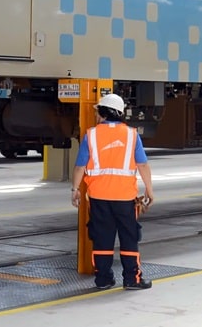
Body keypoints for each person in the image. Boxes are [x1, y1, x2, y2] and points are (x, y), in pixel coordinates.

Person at [71, 93, 155, 291]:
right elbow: (142, 164)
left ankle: (103, 280)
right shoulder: (132, 135)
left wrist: (75, 189)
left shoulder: (90, 135)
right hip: (125, 198)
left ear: (102, 113)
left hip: (98, 198)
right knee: (129, 237)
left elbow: (79, 166)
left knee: (102, 238)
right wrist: (149, 190)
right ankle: (132, 279)